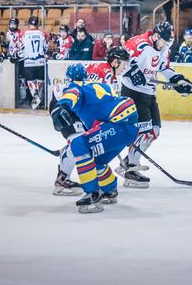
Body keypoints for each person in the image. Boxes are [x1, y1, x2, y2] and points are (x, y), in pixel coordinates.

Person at [51, 63, 138, 212]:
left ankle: (92, 194)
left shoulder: (76, 85)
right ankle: (110, 191)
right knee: (96, 161)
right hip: (127, 126)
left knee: (78, 145)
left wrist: (61, 107)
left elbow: (72, 94)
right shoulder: (100, 84)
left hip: (117, 125)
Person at [118, 21, 192, 188]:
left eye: (169, 43)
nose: (166, 46)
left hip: (149, 94)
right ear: (156, 36)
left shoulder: (163, 48)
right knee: (143, 131)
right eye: (165, 42)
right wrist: (132, 71)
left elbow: (165, 68)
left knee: (154, 131)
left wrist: (178, 80)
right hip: (132, 93)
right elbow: (118, 58)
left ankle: (129, 161)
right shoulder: (139, 43)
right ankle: (131, 170)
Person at [22, 16, 48, 109]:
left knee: (30, 81)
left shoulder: (24, 33)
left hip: (29, 61)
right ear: (38, 24)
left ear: (29, 23)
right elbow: (46, 47)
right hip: (40, 61)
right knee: (40, 81)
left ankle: (35, 95)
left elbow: (21, 47)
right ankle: (40, 100)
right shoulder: (42, 33)